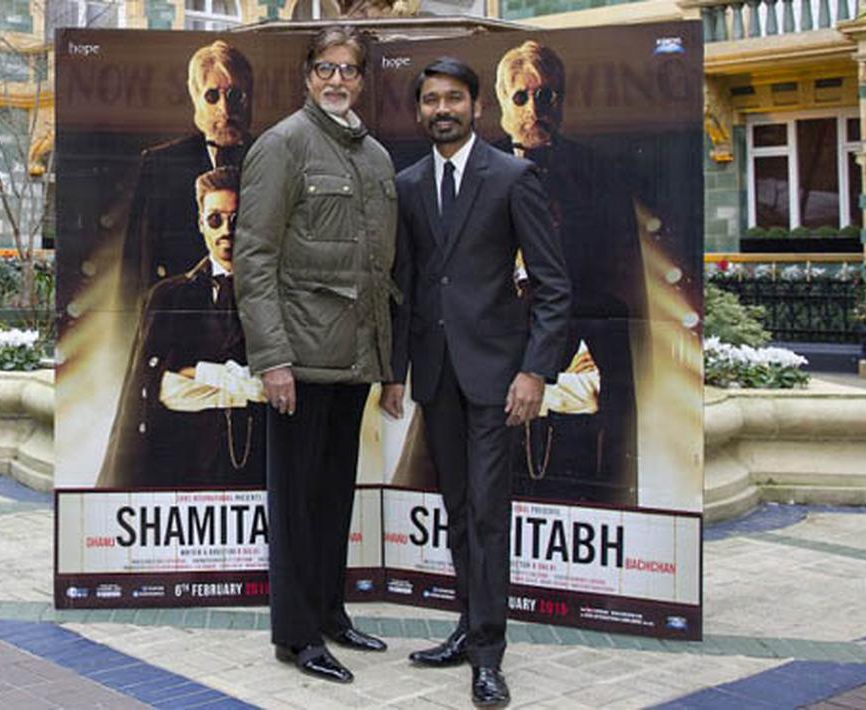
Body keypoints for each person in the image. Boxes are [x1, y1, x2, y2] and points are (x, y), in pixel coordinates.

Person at [382, 57, 571, 707]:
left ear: (476, 107)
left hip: (496, 378)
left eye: (454, 98)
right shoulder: (406, 184)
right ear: (418, 111)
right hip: (435, 378)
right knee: (459, 513)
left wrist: (534, 371)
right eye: (431, 99)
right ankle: (468, 628)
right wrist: (393, 374)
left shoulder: (513, 177)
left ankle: (488, 657)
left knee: (488, 516)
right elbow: (404, 289)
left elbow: (552, 287)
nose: (442, 109)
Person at [233, 25, 398, 684]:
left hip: (353, 361)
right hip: (297, 361)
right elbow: (254, 257)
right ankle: (295, 636)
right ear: (307, 76)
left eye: (349, 70)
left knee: (333, 498)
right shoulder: (282, 146)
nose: (337, 80)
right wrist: (272, 360)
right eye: (325, 68)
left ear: (362, 80)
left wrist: (388, 367)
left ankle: (331, 613)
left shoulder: (377, 157)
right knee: (297, 502)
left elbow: (382, 272)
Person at [492, 39, 645, 507]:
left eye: (545, 96)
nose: (534, 108)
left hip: (583, 336)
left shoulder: (599, 172)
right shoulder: (479, 167)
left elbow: (620, 263)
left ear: (562, 99)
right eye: (521, 96)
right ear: (503, 101)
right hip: (501, 337)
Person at [98, 167, 265, 488]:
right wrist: (237, 382)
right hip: (183, 467)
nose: (227, 230)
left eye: (238, 218)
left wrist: (196, 373)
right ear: (201, 223)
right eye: (215, 219)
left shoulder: (278, 293)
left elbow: (272, 388)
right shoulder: (167, 297)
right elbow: (157, 392)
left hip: (259, 466)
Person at [118, 40, 255, 312]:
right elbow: (134, 266)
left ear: (249, 97)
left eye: (235, 95)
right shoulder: (160, 164)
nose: (225, 111)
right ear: (195, 97)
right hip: (180, 320)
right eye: (212, 96)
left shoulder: (273, 159)